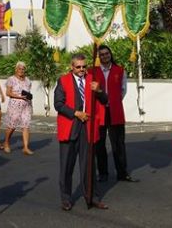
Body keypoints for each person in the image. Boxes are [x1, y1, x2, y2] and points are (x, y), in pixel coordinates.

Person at [54, 53, 108, 211]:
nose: (82, 69)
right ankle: (66, 199)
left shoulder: (93, 80)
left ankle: (92, 197)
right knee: (66, 167)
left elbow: (105, 100)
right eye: (78, 67)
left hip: (87, 128)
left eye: (84, 66)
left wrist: (98, 91)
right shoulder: (63, 80)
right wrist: (76, 113)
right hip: (70, 127)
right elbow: (58, 104)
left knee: (89, 166)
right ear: (72, 67)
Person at [92, 45, 137, 183]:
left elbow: (123, 90)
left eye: (107, 53)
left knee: (118, 144)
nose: (105, 56)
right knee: (99, 145)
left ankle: (122, 173)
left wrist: (114, 102)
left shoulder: (119, 70)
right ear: (99, 57)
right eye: (102, 54)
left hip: (115, 111)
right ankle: (103, 173)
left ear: (110, 54)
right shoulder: (92, 72)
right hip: (99, 112)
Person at [3, 61, 33, 155]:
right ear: (16, 69)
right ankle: (6, 143)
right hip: (14, 106)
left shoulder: (28, 80)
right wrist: (19, 97)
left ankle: (25, 147)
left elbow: (28, 91)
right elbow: (8, 93)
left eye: (23, 69)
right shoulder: (11, 79)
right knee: (12, 126)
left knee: (26, 126)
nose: (21, 70)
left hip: (26, 106)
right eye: (19, 68)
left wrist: (28, 96)